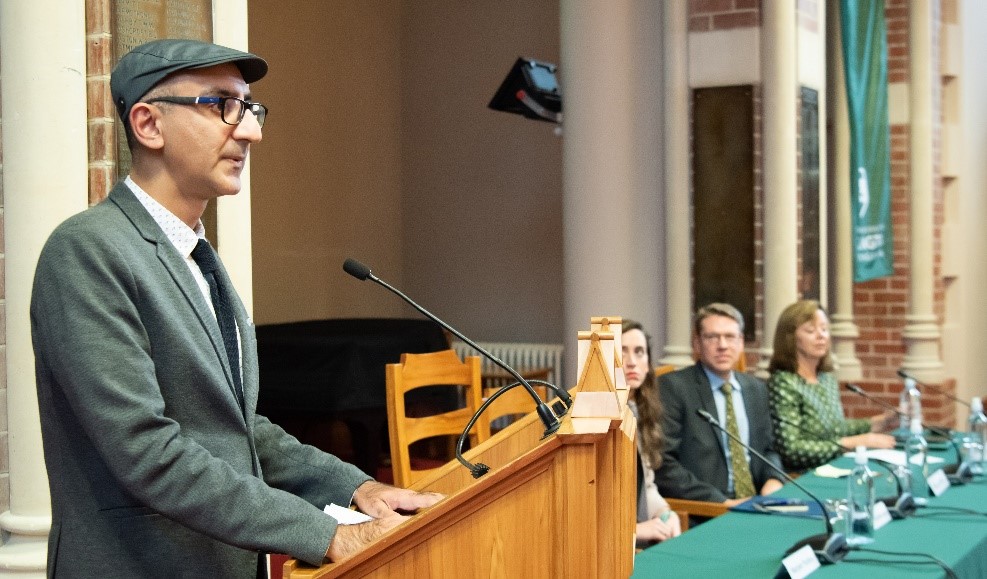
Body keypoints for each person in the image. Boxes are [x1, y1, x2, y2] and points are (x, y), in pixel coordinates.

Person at [30, 39, 441, 578]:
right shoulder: (87, 251)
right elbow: (148, 452)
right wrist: (329, 534)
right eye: (221, 105)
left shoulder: (196, 255)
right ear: (149, 124)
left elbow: (236, 429)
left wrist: (356, 487)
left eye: (249, 108)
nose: (250, 130)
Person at [656, 303, 784, 506]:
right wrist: (720, 502)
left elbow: (769, 450)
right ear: (697, 344)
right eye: (712, 337)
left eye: (730, 337)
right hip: (707, 511)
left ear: (741, 343)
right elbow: (663, 463)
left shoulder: (756, 389)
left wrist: (773, 480)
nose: (722, 345)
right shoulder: (674, 388)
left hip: (758, 503)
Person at [767, 300, 896, 471]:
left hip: (838, 467)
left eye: (824, 329)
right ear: (791, 338)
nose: (821, 336)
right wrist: (854, 442)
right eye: (810, 330)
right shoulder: (784, 382)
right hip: (803, 476)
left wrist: (884, 420)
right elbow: (792, 449)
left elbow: (836, 428)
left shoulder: (826, 378)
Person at [621, 320, 681, 545]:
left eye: (639, 352)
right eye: (622, 353)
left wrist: (665, 513)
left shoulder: (640, 410)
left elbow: (646, 486)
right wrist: (634, 531)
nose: (631, 363)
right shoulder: (595, 419)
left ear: (648, 365)